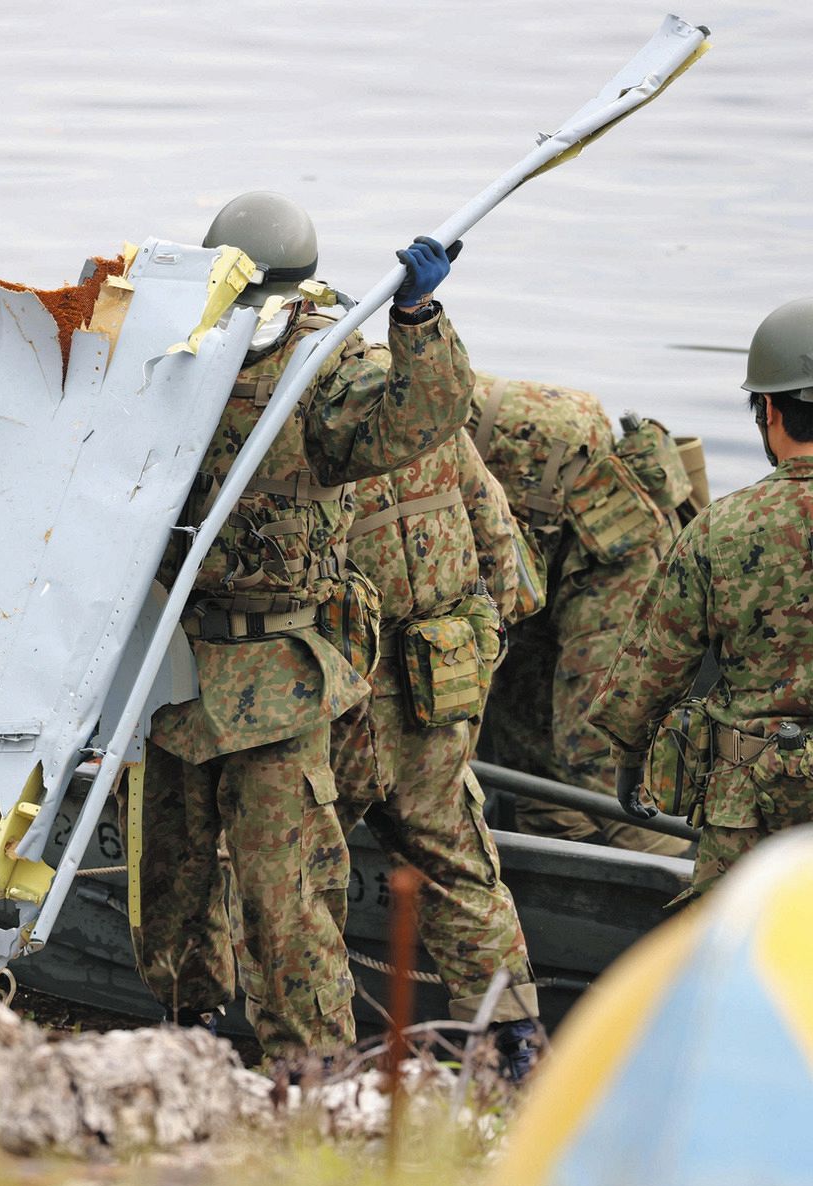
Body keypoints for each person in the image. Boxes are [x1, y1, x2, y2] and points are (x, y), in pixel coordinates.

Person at [118, 193, 473, 1064]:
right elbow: (66, 411)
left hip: (281, 672)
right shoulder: (171, 349)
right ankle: (188, 1041)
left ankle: (311, 1076)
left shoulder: (321, 369)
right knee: (171, 882)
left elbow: (420, 415)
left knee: (286, 894)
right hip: (174, 662)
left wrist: (418, 319)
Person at [330, 428, 540, 1079]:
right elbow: (500, 539)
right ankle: (517, 1046)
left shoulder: (303, 412)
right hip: (435, 685)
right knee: (461, 871)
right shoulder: (431, 416)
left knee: (290, 882)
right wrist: (478, 659)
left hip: (334, 699)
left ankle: (305, 1058)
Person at [588, 298, 813, 900]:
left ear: (767, 408)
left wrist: (630, 759)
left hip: (749, 809)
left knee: (732, 965)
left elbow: (654, 668)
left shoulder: (723, 527)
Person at [468, 373, 693, 855]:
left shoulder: (378, 396)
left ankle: (671, 893)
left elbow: (599, 738)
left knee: (600, 743)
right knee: (527, 741)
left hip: (603, 547)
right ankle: (559, 875)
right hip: (529, 546)